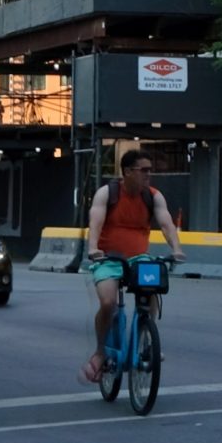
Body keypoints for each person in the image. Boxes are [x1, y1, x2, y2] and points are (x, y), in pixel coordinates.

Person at [80, 150, 179, 384]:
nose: (148, 175)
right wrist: (93, 248)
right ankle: (100, 352)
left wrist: (176, 248)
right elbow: (96, 221)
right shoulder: (107, 193)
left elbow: (166, 223)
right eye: (143, 170)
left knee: (152, 287)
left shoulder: (153, 196)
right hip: (108, 259)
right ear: (127, 172)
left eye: (150, 170)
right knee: (108, 303)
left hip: (138, 259)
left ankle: (146, 337)